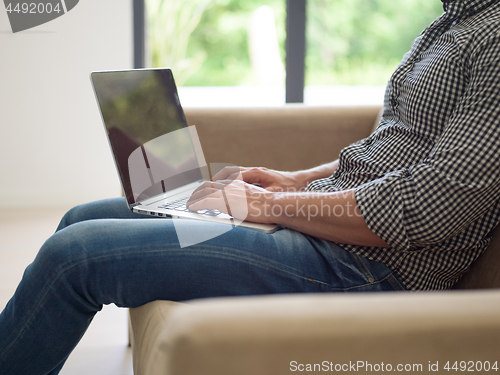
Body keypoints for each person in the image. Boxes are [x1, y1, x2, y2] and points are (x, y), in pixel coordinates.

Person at [2, 0, 500, 373]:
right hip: (330, 231)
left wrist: (271, 204)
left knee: (77, 255)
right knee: (81, 218)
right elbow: (391, 148)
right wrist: (299, 180)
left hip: (368, 264)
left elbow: (424, 206)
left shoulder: (493, 38)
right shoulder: (450, 22)